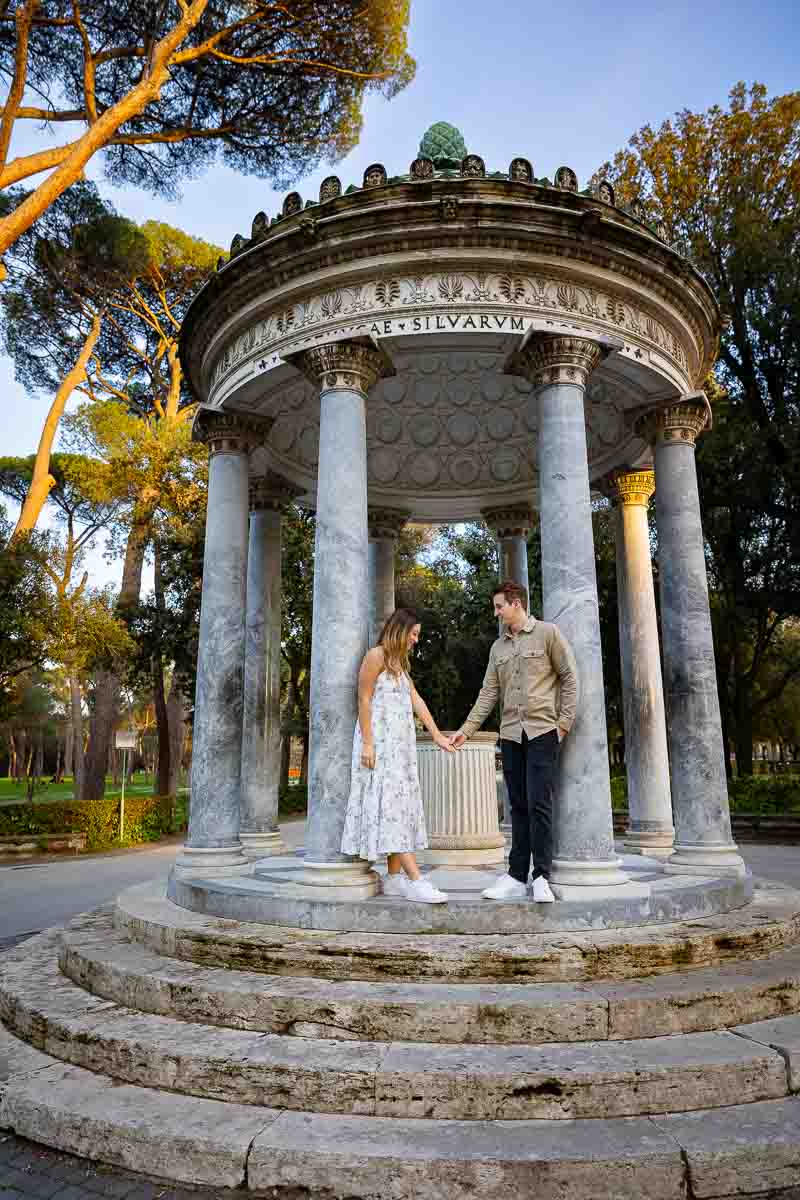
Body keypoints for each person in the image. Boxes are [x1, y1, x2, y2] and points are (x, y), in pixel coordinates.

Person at [450, 580, 578, 903]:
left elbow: (569, 677)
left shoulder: (548, 634)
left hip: (542, 732)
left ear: (516, 603)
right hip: (511, 735)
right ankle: (516, 875)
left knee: (539, 804)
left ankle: (542, 877)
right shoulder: (498, 648)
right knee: (517, 807)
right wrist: (466, 729)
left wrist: (562, 725)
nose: (496, 613)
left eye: (499, 606)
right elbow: (488, 693)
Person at [341, 607, 454, 904]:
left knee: (400, 807)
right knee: (391, 807)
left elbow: (417, 700)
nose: (416, 640)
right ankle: (416, 880)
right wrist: (367, 743)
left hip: (400, 749)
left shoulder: (398, 664)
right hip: (378, 745)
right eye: (414, 634)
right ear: (400, 630)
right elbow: (363, 698)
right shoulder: (375, 656)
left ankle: (393, 879)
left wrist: (437, 735)